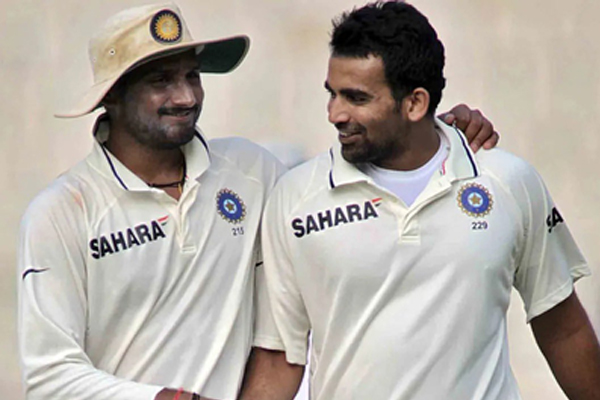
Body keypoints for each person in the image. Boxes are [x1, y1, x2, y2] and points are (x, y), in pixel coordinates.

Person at [17, 2, 498, 400]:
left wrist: (432, 131)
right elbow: (48, 375)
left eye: (192, 76)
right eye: (160, 82)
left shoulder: (253, 173)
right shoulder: (62, 212)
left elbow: (361, 171)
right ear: (112, 97)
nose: (186, 97)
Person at [243, 2, 600, 400]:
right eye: (332, 94)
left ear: (415, 103)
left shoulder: (508, 181)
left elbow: (563, 327)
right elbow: (279, 359)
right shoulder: (296, 197)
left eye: (356, 98)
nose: (335, 114)